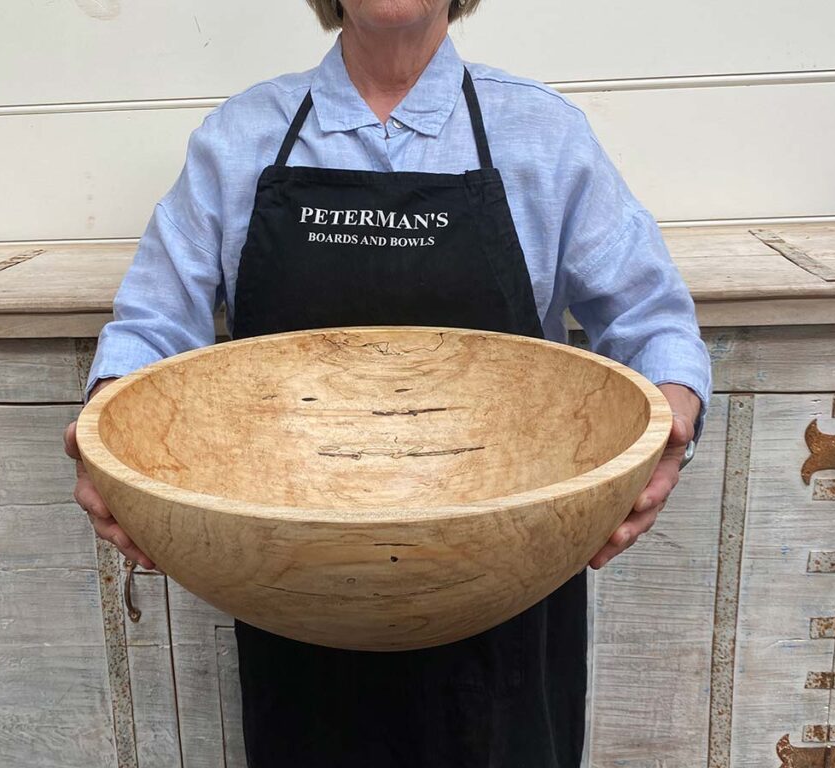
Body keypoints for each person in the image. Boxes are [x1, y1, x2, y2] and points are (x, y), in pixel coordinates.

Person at [63, 0, 712, 765]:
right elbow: (153, 325)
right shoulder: (241, 137)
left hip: (507, 575)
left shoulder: (542, 135)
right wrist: (109, 430)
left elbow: (648, 317)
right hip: (292, 582)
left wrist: (672, 421)